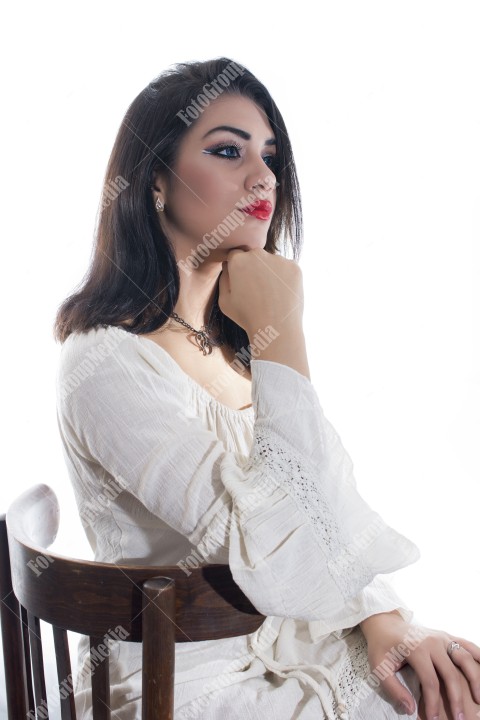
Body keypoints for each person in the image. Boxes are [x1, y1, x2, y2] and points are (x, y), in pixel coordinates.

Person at [53, 57, 480, 720]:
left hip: (286, 644)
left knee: (462, 681)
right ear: (156, 181)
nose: (264, 179)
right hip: (184, 682)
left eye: (271, 156)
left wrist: (388, 621)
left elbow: (324, 508)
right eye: (228, 151)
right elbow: (288, 559)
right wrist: (288, 337)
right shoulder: (108, 364)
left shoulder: (233, 341)